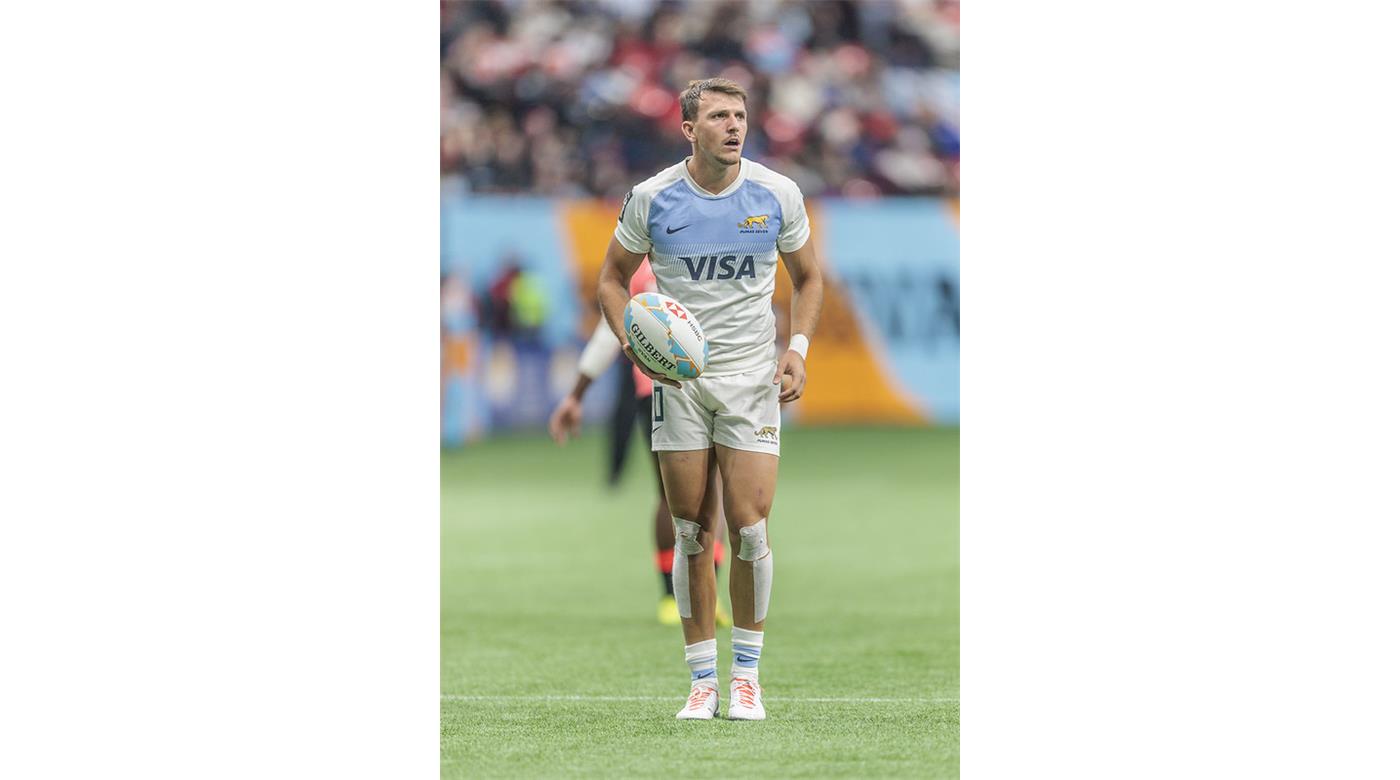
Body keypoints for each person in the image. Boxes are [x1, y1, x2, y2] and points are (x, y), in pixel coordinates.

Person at [597, 78, 823, 721]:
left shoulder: (777, 194)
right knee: (694, 532)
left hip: (752, 379)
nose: (734, 126)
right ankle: (701, 682)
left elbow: (809, 279)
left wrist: (798, 348)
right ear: (688, 127)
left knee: (751, 531)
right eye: (719, 116)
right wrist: (635, 344)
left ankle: (747, 677)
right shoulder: (653, 197)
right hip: (681, 385)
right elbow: (611, 279)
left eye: (741, 116)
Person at [548, 259, 731, 627]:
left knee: (670, 494)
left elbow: (607, 332)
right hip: (706, 386)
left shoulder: (638, 264)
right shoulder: (707, 252)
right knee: (708, 490)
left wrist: (577, 394)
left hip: (656, 389)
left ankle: (675, 598)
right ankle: (698, 598)